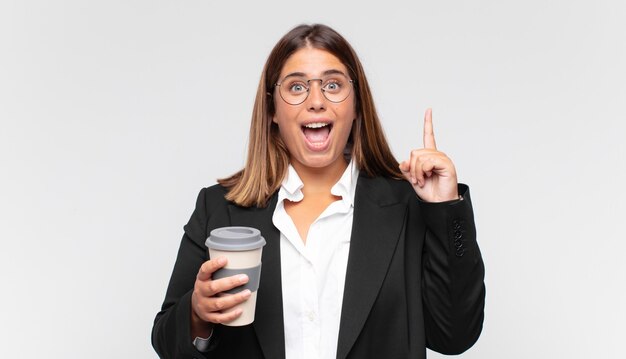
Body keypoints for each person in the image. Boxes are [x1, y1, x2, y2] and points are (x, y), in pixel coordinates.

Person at [152, 24, 485, 359]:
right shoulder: (219, 208)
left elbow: (454, 336)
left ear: (356, 106)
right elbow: (167, 343)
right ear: (272, 111)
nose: (316, 101)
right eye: (297, 87)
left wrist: (445, 208)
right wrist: (197, 313)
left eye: (332, 85)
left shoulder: (405, 207)